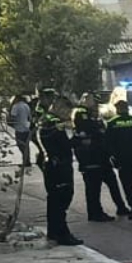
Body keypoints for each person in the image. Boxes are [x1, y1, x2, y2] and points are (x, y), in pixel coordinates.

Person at [36, 100, 83, 246]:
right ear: (59, 108)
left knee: (54, 201)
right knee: (62, 200)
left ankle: (54, 232)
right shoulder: (55, 123)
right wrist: (77, 139)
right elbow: (62, 145)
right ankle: (62, 234)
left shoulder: (44, 120)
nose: (68, 115)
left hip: (50, 164)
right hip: (59, 166)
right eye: (67, 111)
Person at [71, 107, 129, 222]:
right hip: (92, 165)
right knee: (93, 191)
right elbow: (83, 147)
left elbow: (105, 142)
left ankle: (121, 207)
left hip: (102, 163)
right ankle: (95, 213)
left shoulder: (94, 127)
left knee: (112, 186)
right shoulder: (82, 132)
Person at [8, 95, 33, 165]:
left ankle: (25, 161)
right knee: (26, 146)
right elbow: (30, 117)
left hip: (19, 128)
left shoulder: (16, 106)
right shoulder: (26, 106)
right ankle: (27, 160)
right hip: (27, 128)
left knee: (21, 145)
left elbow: (13, 118)